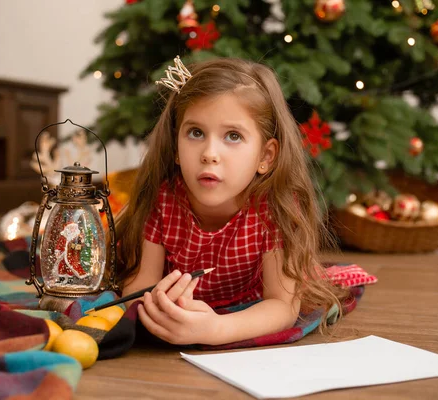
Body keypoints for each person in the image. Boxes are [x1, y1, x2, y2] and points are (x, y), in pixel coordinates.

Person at [114, 56, 347, 346]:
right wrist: (162, 305)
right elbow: (138, 288)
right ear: (175, 146)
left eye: (233, 136)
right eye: (196, 133)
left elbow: (282, 306)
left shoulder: (275, 207)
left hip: (248, 303)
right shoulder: (163, 199)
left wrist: (216, 329)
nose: (210, 153)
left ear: (265, 156)